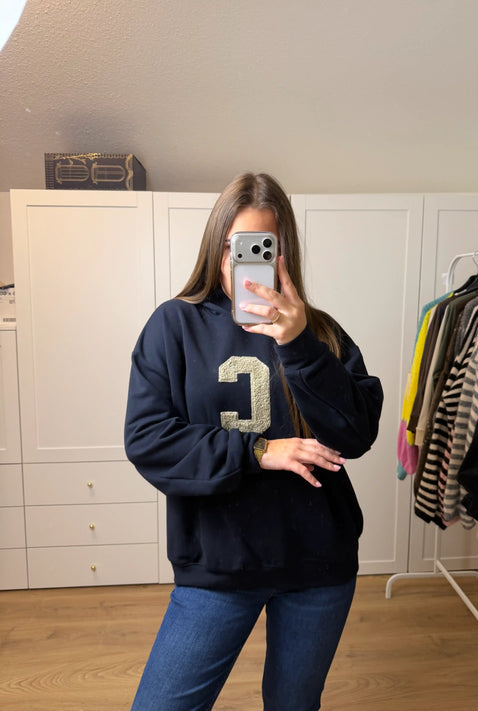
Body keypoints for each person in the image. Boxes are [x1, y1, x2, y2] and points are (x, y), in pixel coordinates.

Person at [124, 172, 383, 711]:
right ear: (214, 246)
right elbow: (149, 439)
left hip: (318, 564)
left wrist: (300, 346)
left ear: (282, 254)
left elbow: (357, 433)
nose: (240, 263)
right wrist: (261, 451)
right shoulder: (174, 325)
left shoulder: (320, 332)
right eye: (231, 246)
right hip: (218, 566)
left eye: (261, 247)